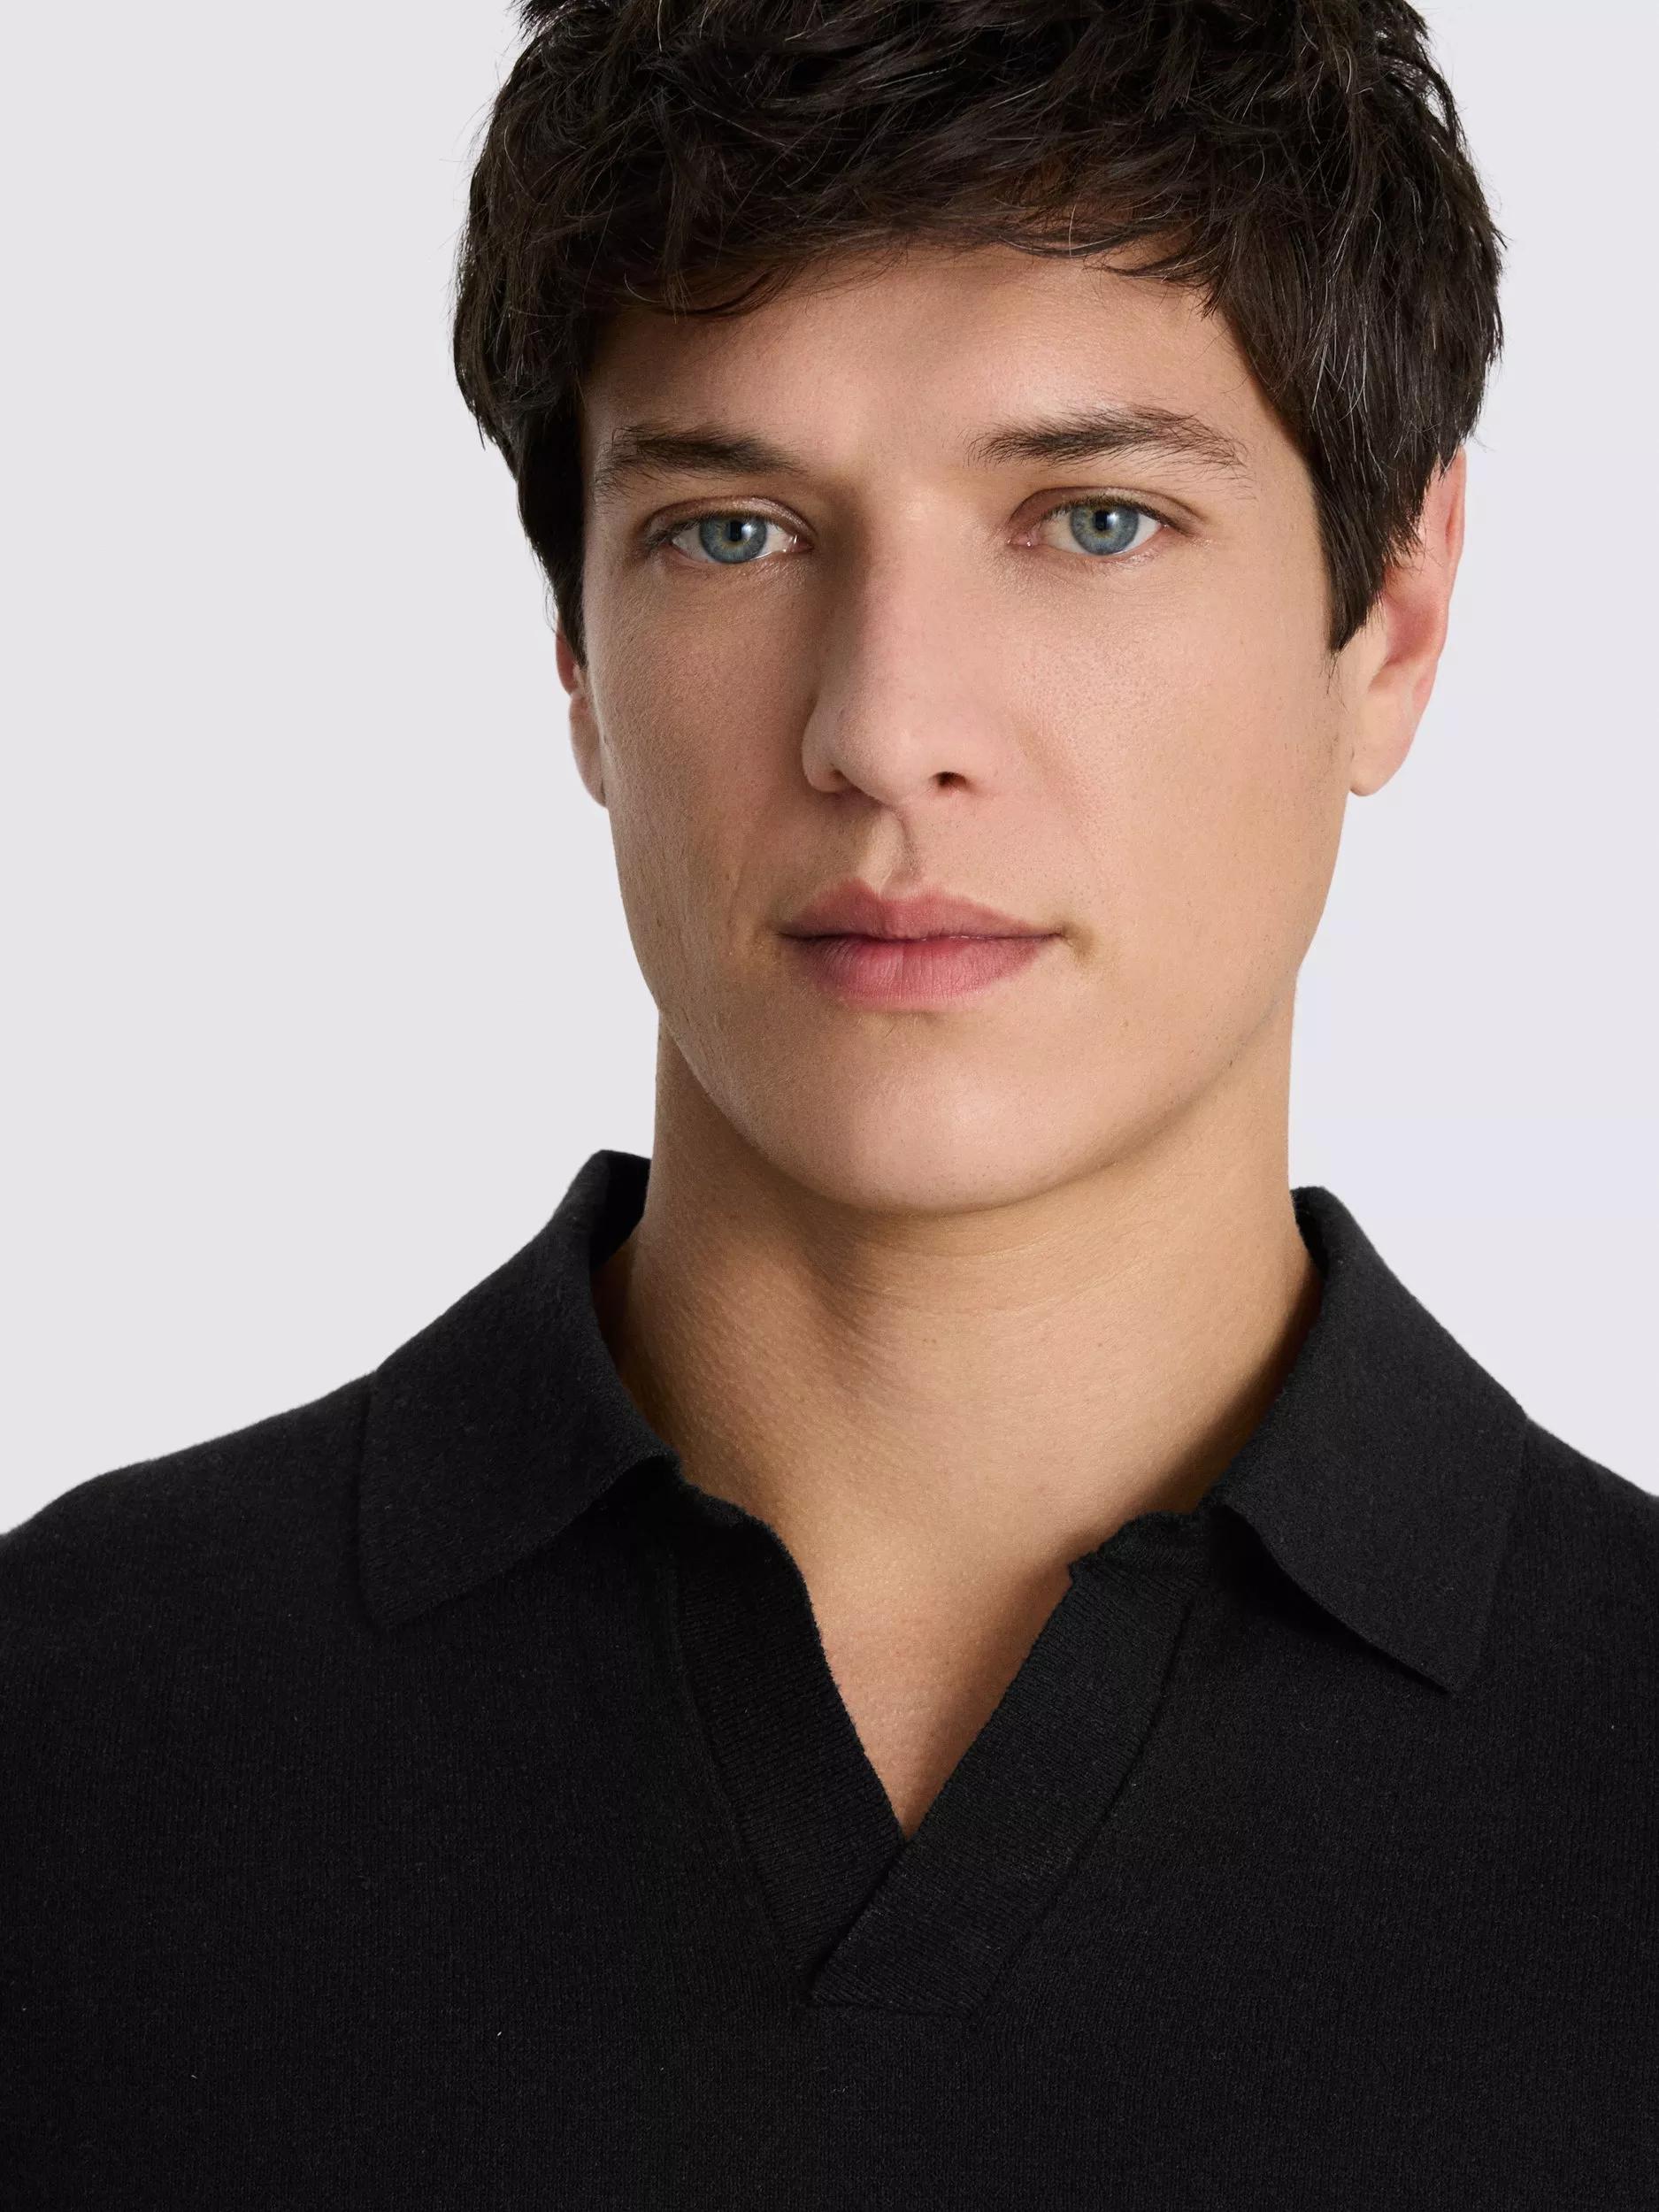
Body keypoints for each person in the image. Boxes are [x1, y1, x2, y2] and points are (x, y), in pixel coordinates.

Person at [4, 0, 1655, 2200]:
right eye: (731, 531)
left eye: (1092, 519)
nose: (883, 728)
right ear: (577, 652)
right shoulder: (69, 1733)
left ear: (1398, 616)